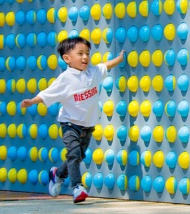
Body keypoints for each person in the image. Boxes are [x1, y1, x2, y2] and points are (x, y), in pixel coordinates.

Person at [21, 37, 125, 203]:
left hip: (88, 125)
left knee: (78, 156)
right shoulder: (66, 78)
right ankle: (77, 187)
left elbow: (106, 65)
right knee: (74, 153)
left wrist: (119, 59)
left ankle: (58, 174)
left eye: (87, 53)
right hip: (70, 124)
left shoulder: (93, 72)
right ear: (67, 58)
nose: (85, 57)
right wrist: (32, 101)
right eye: (80, 53)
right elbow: (47, 93)